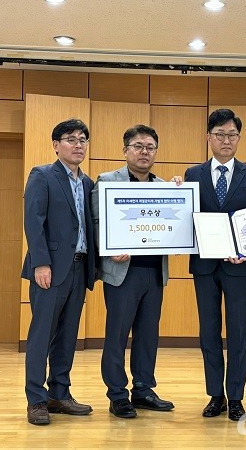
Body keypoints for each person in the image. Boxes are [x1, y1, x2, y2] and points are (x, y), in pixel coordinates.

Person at [92, 124, 179, 419]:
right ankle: (117, 394)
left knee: (147, 335)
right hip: (122, 273)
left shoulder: (166, 187)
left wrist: (182, 194)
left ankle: (142, 389)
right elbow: (95, 224)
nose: (145, 152)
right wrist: (108, 247)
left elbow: (177, 225)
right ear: (125, 150)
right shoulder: (106, 181)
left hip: (154, 273)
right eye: (138, 146)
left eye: (150, 147)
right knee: (117, 335)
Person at [184, 108, 246, 421]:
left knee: (238, 333)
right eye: (220, 134)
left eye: (232, 134)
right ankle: (215, 395)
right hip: (204, 266)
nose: (226, 140)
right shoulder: (193, 175)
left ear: (239, 138)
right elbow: (187, 217)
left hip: (238, 266)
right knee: (208, 333)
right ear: (209, 138)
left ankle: (236, 397)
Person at [22, 118, 96, 425]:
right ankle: (36, 400)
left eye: (82, 140)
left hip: (80, 269)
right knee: (41, 336)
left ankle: (60, 394)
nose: (78, 145)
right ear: (56, 145)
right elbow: (33, 220)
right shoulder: (42, 175)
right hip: (50, 270)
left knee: (67, 336)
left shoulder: (89, 182)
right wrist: (41, 262)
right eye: (71, 139)